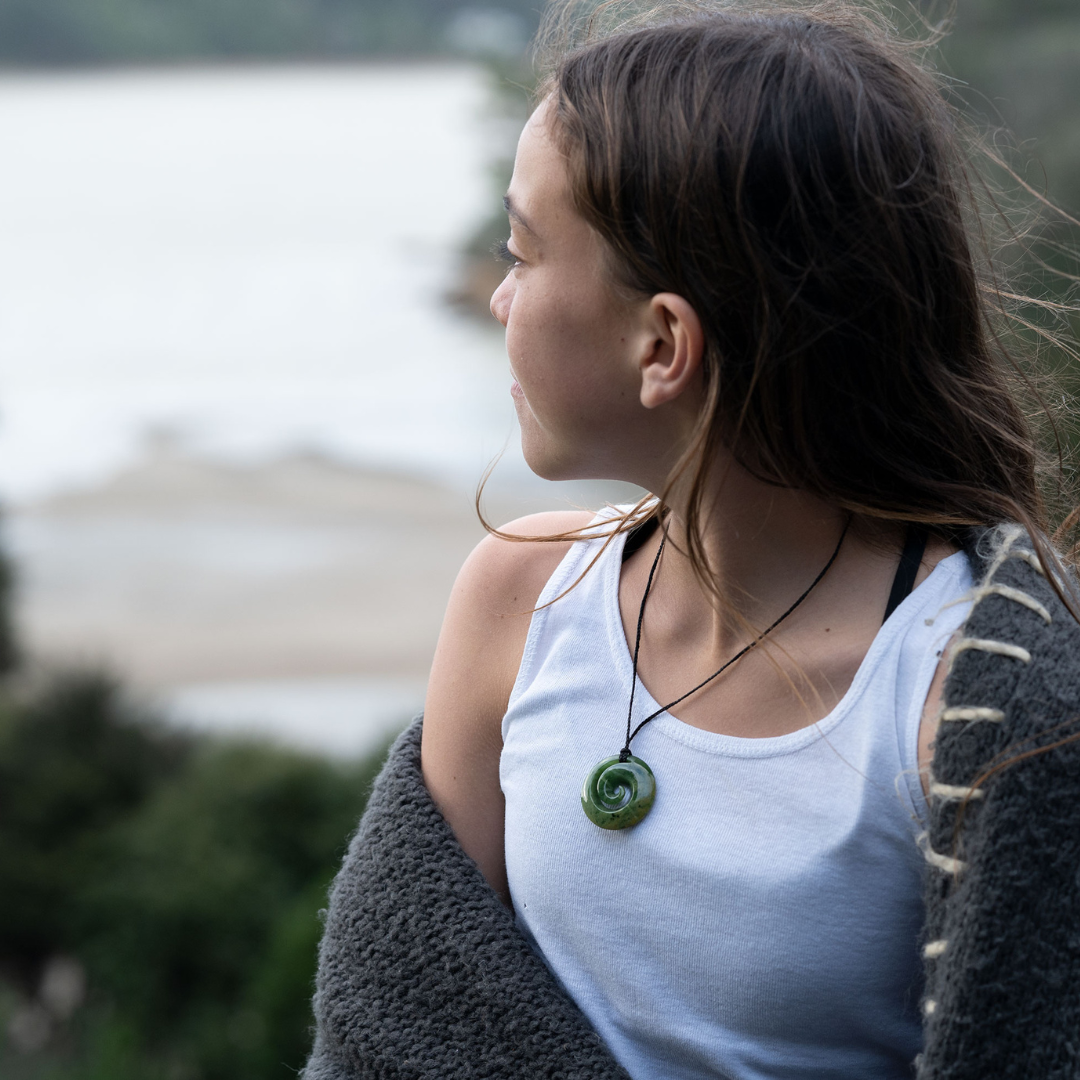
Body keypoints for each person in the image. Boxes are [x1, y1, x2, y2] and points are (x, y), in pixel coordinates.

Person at [305, 3, 1080, 1078]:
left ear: (663, 342)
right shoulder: (515, 602)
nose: (496, 297)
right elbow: (401, 1021)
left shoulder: (972, 698)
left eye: (522, 254)